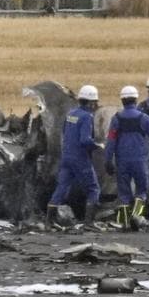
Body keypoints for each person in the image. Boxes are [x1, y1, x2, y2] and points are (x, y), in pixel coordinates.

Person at [104, 85, 149, 229]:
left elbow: (111, 141)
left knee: (123, 193)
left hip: (122, 162)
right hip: (140, 161)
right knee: (141, 191)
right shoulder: (143, 118)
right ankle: (137, 219)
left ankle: (124, 223)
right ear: (136, 99)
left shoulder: (116, 119)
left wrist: (108, 160)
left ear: (122, 100)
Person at [47, 85, 102, 227]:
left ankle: (50, 221)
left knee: (62, 187)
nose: (96, 105)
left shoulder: (71, 113)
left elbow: (64, 133)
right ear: (91, 102)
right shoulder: (87, 117)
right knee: (93, 189)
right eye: (95, 102)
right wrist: (97, 145)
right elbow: (85, 140)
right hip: (80, 158)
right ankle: (89, 223)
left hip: (66, 157)